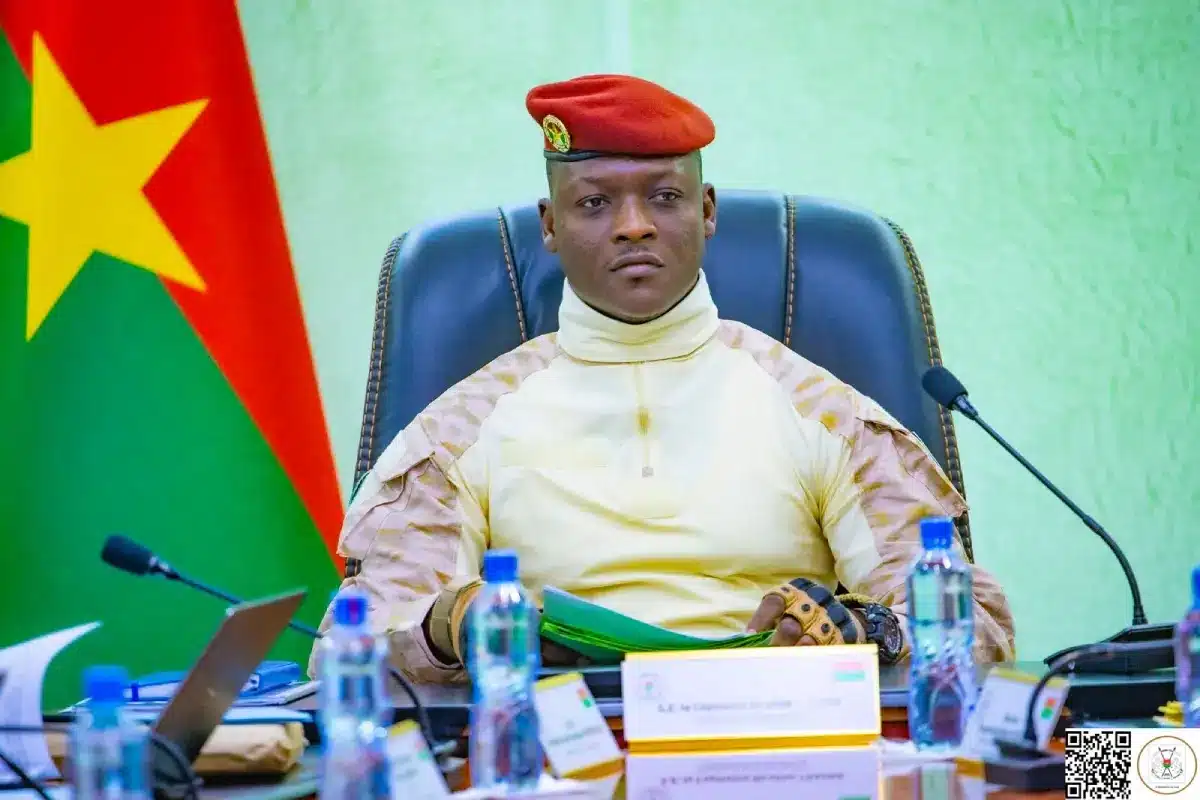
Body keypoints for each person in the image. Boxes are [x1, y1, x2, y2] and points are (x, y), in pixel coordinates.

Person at [309, 74, 1016, 684]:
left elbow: (974, 633)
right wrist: (447, 630)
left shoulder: (822, 411)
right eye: (595, 204)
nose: (634, 227)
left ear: (707, 212)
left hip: (783, 738)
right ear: (550, 225)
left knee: (1083, 762)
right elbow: (347, 658)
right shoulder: (461, 431)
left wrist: (866, 633)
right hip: (561, 750)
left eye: (665, 198)